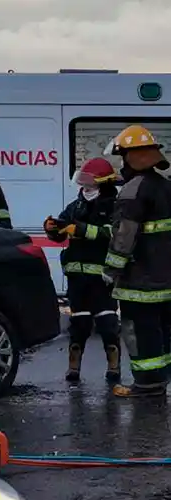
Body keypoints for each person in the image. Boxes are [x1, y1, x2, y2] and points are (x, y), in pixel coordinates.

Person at [102, 124, 171, 398]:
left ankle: (146, 385)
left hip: (139, 283)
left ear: (131, 157)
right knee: (163, 331)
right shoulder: (166, 187)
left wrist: (110, 270)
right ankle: (160, 380)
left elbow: (123, 236)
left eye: (122, 157)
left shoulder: (133, 190)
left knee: (139, 332)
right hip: (165, 280)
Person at [43, 157, 120, 383]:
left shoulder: (114, 206)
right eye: (83, 181)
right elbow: (62, 231)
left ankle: (114, 368)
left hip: (103, 278)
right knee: (79, 325)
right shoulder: (75, 206)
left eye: (90, 181)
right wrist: (52, 229)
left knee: (107, 325)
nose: (84, 185)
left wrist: (83, 229)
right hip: (77, 278)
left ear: (103, 183)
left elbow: (113, 233)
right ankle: (73, 368)